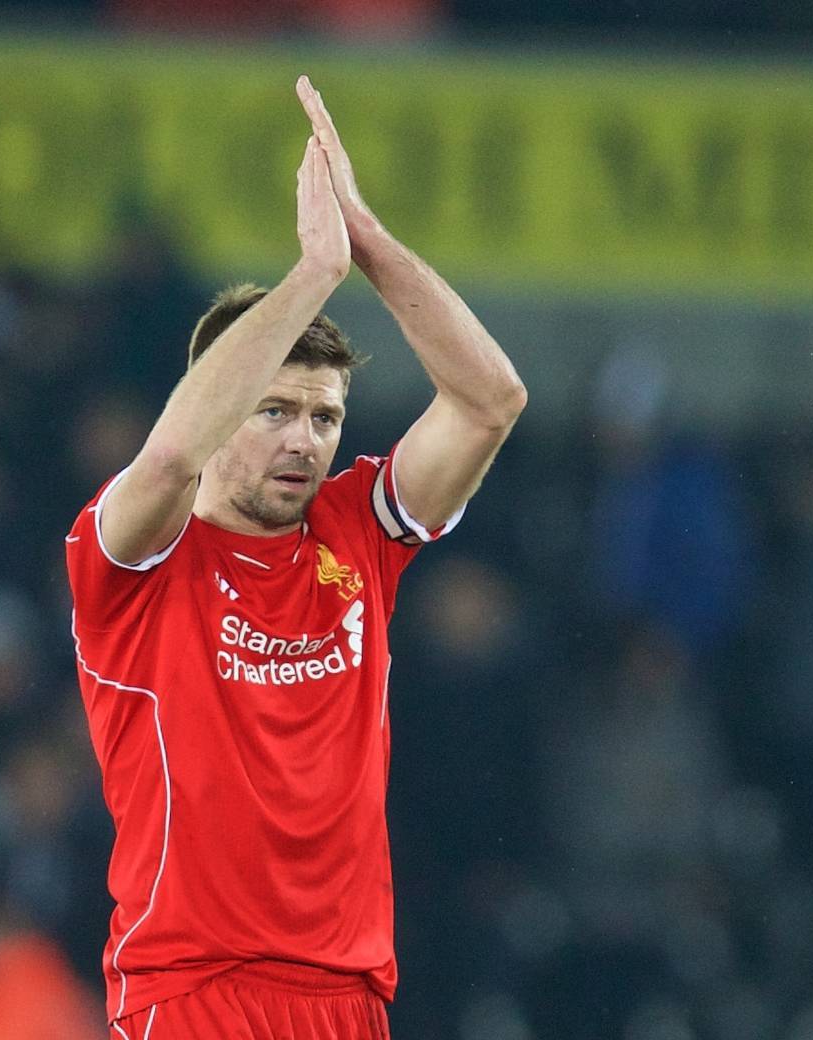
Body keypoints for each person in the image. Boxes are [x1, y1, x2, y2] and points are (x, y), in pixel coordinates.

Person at [65, 76, 526, 1040]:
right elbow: (172, 456)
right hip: (192, 992)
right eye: (274, 409)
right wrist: (310, 274)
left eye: (325, 417)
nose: (305, 440)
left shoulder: (356, 531)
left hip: (348, 999)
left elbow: (490, 402)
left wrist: (366, 245)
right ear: (223, 400)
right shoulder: (132, 555)